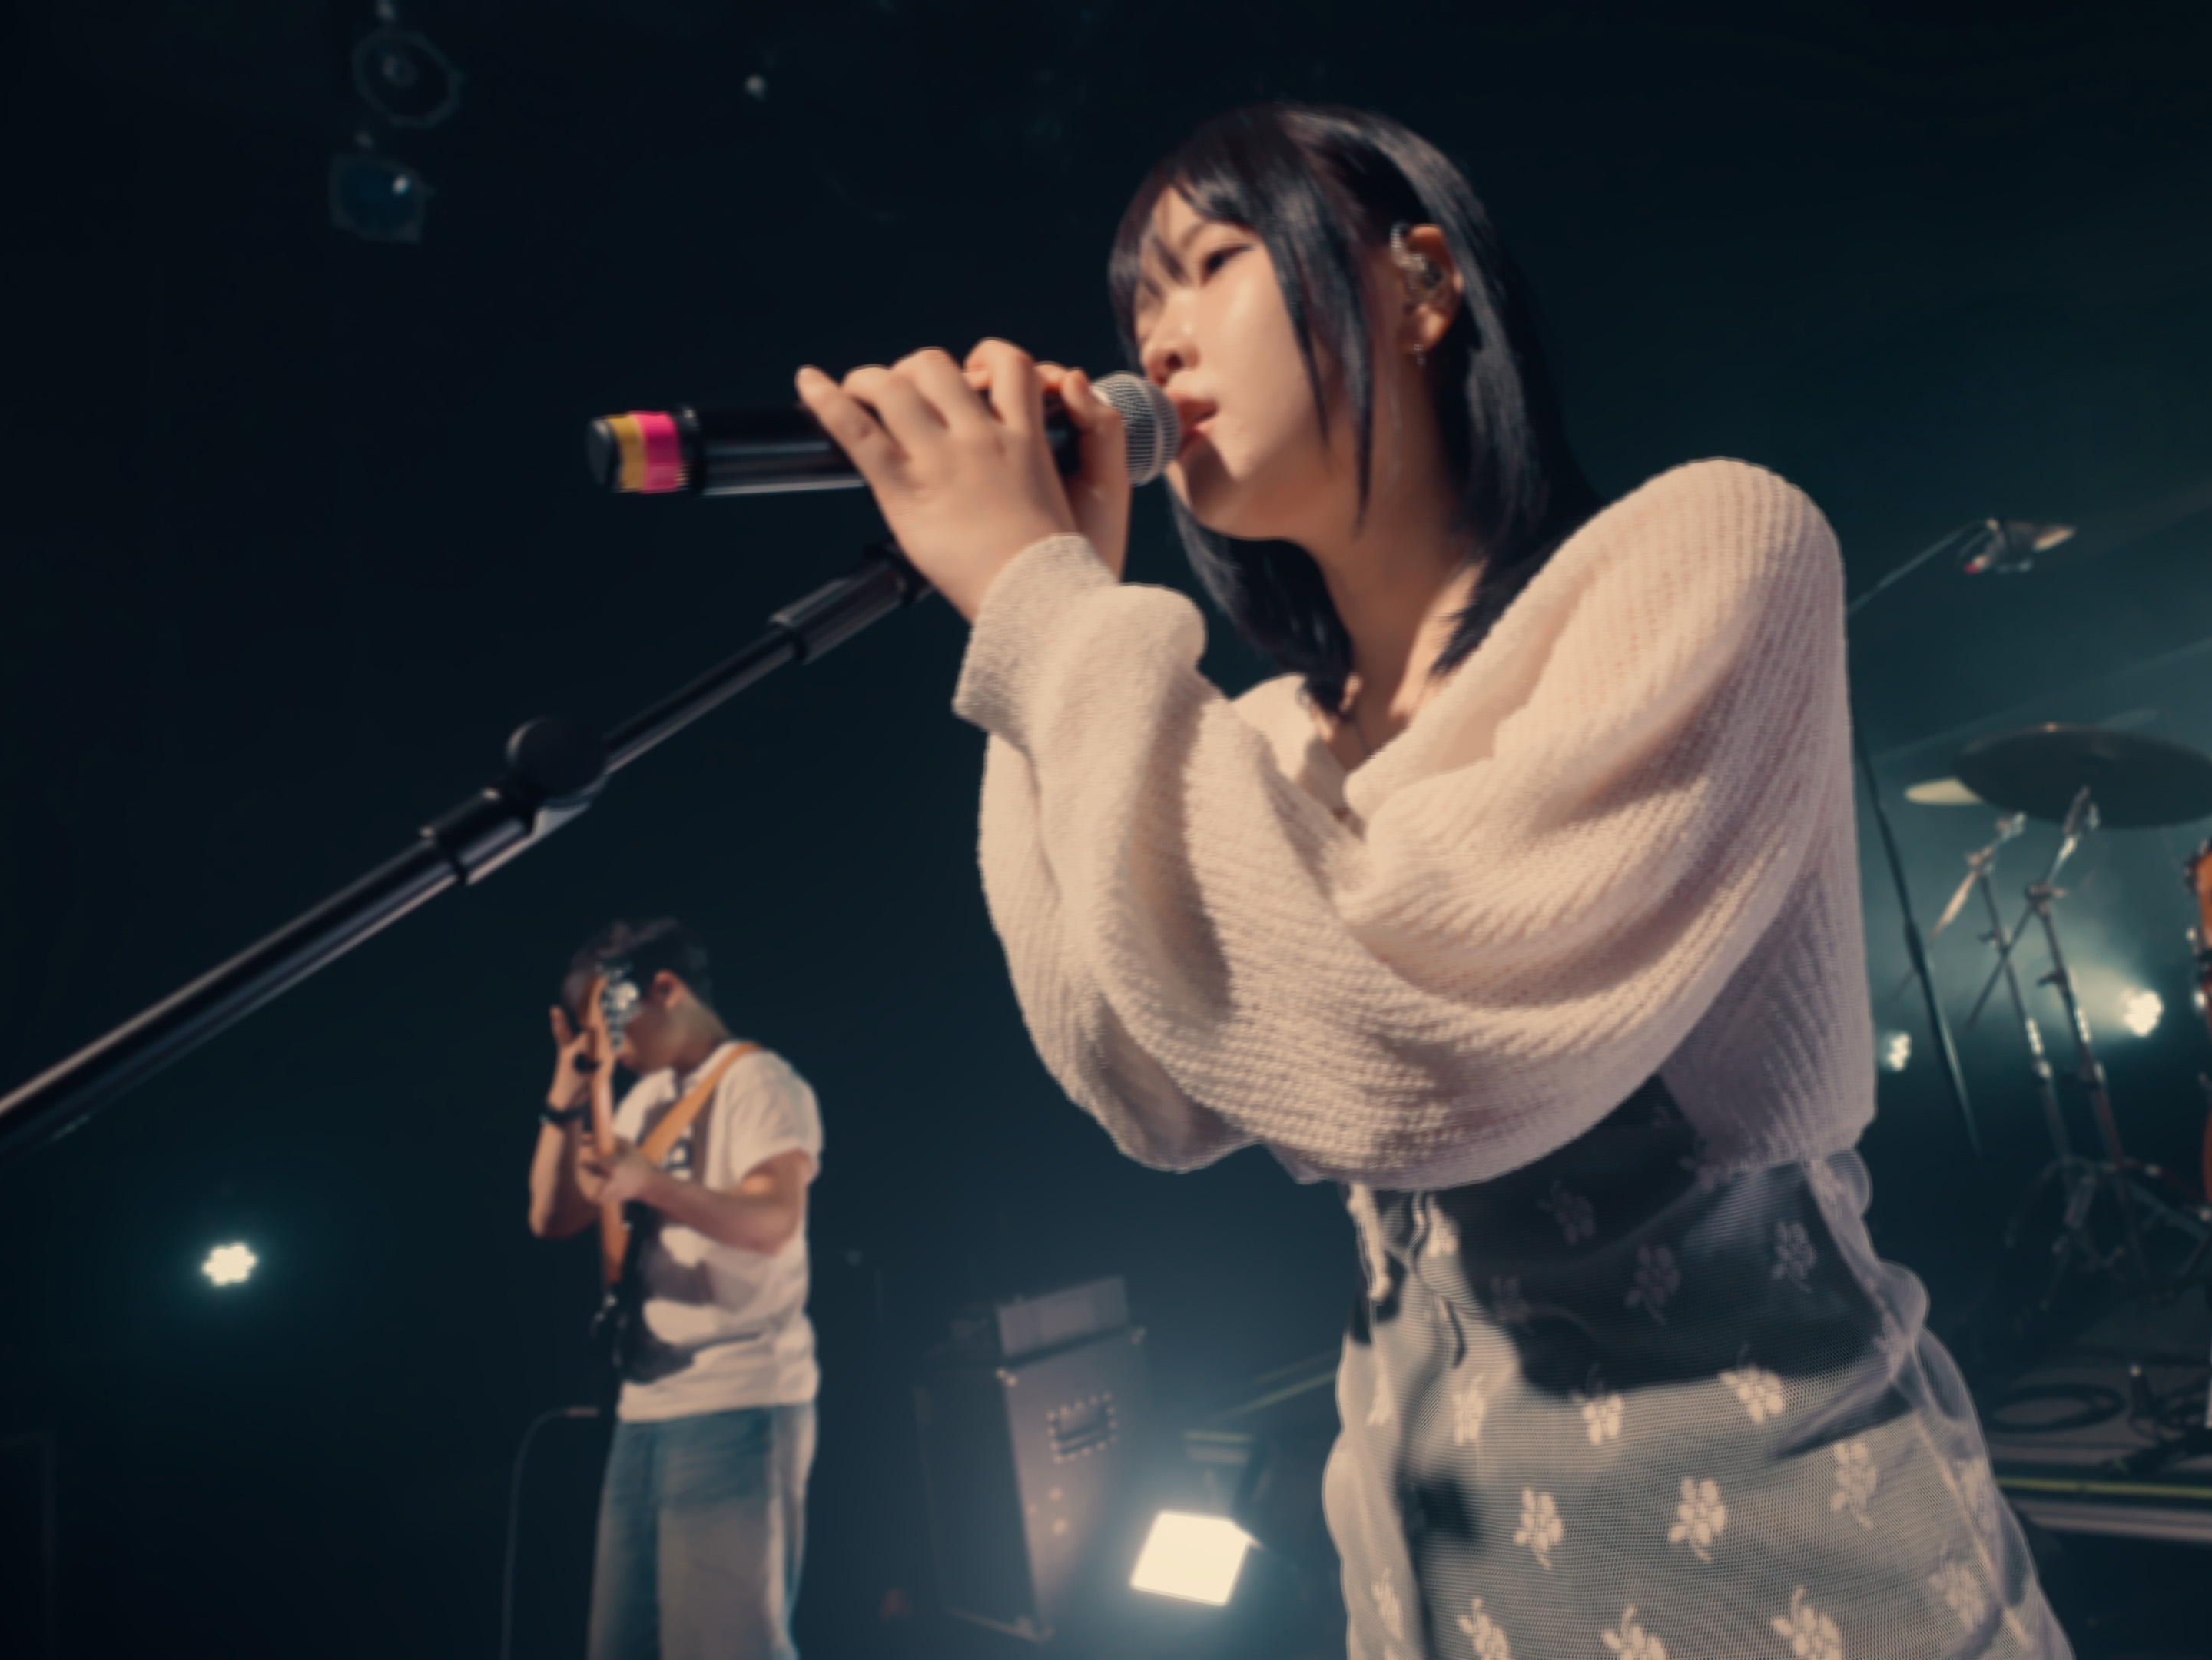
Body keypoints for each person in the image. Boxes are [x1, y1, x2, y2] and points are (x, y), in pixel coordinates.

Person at [796, 103, 2066, 1659]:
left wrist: (1045, 611)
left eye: (1211, 263)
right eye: (1136, 310)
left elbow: (1420, 1057)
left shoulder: (1708, 550)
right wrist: (1040, 624)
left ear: (1419, 285)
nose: (1157, 341)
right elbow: (1146, 1084)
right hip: (1434, 1597)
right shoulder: (1255, 742)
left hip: (1784, 1569)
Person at [528, 918, 824, 1660]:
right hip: (645, 1409)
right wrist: (569, 1090)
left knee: (724, 1647)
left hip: (738, 1402)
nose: (610, 1046)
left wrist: (652, 1184)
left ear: (663, 989)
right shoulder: (643, 1098)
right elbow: (551, 1217)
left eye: (612, 1024)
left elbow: (775, 1221)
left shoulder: (759, 1079)